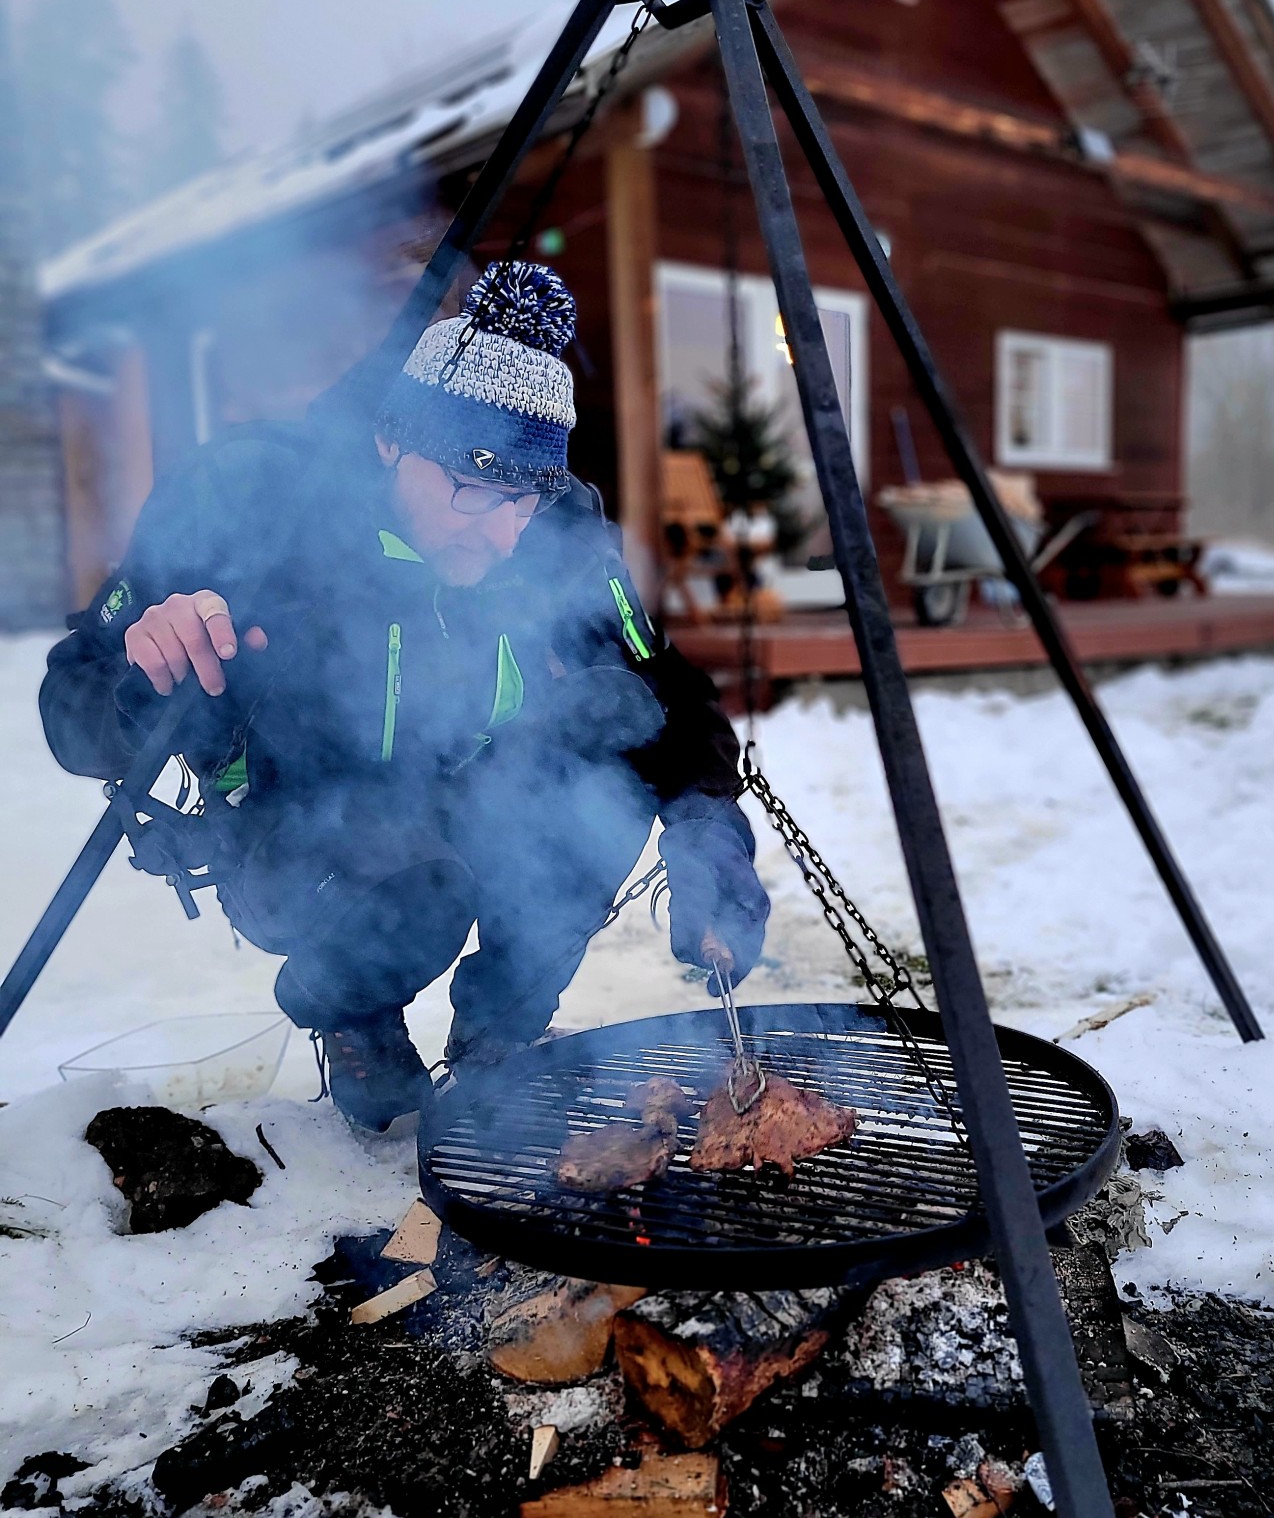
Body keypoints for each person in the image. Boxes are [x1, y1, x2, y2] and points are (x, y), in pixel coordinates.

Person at [39, 261, 770, 1132]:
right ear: (391, 441)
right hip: (299, 823)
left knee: (602, 765)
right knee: (412, 873)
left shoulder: (557, 525)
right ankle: (352, 1010)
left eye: (523, 499)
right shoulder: (257, 499)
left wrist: (707, 821)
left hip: (469, 781)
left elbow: (661, 685)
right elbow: (70, 703)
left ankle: (501, 1032)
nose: (500, 532)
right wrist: (142, 670)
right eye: (469, 486)